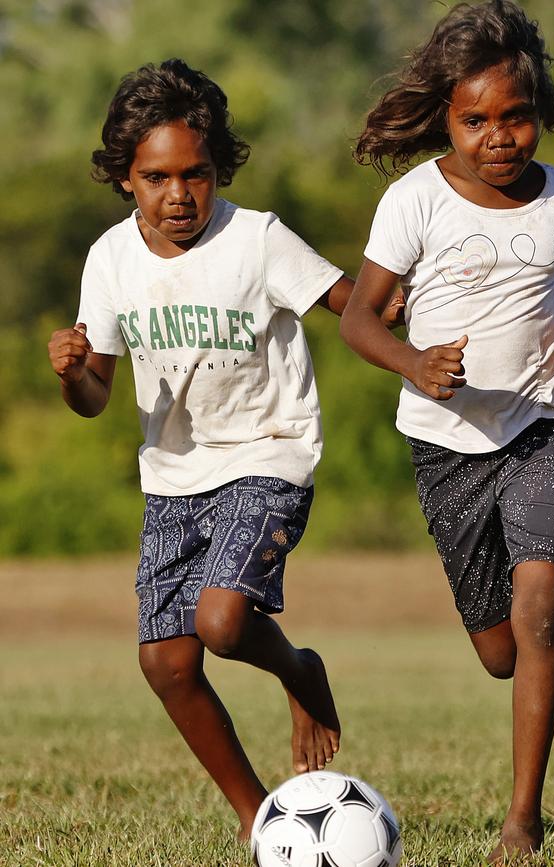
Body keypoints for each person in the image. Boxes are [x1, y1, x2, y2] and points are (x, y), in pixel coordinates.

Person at [47, 58, 376, 840]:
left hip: (269, 451)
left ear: (217, 166)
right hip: (173, 474)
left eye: (196, 173)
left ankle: (301, 670)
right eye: (157, 177)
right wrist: (70, 374)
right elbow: (95, 395)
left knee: (223, 621)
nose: (179, 194)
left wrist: (414, 308)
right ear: (126, 178)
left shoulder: (257, 239)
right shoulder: (110, 258)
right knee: (166, 662)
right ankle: (257, 820)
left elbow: (350, 301)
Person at [340, 1, 554, 862]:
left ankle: (522, 820)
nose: (499, 135)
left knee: (537, 606)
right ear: (446, 119)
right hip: (446, 442)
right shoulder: (414, 200)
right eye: (475, 119)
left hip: (543, 423)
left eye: (516, 116)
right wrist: (416, 362)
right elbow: (361, 321)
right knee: (503, 651)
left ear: (542, 111)